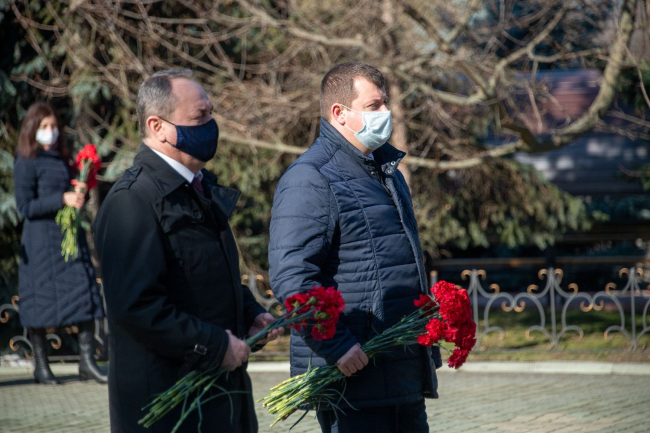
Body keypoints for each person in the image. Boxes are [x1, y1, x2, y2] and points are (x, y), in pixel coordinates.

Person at [93, 69, 280, 433]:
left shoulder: (198, 188)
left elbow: (205, 278)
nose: (211, 125)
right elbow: (137, 307)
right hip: (171, 407)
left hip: (220, 398)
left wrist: (249, 313)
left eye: (211, 113)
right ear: (157, 126)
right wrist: (213, 345)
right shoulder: (132, 201)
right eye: (199, 116)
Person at [269, 62, 442, 433]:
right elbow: (292, 277)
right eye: (374, 105)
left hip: (400, 372)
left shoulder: (387, 172)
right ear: (339, 113)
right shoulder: (311, 178)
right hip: (353, 376)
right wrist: (336, 345)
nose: (386, 113)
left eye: (385, 103)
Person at [13, 102, 107, 385]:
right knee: (39, 302)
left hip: (68, 239)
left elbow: (68, 195)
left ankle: (87, 363)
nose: (50, 131)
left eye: (53, 126)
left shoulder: (63, 160)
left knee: (85, 294)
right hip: (41, 243)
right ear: (32, 129)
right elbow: (25, 206)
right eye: (44, 126)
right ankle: (41, 366)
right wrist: (62, 199)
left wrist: (78, 191)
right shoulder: (26, 162)